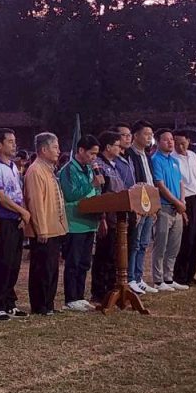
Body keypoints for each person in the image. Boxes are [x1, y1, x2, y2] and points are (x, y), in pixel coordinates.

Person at [23, 133, 69, 316]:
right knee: (42, 268)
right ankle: (40, 305)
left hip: (54, 227)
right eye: (55, 147)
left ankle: (48, 303)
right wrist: (41, 229)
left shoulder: (49, 169)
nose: (58, 151)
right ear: (43, 149)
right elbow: (35, 203)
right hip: (44, 229)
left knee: (52, 268)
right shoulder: (35, 170)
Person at [0, 128, 30, 320]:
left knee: (14, 264)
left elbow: (17, 193)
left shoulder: (13, 166)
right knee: (2, 263)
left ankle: (9, 302)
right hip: (4, 219)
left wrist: (21, 213)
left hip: (16, 219)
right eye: (10, 141)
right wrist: (22, 211)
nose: (14, 145)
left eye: (14, 141)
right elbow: (0, 196)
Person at [58, 135, 104, 312]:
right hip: (75, 223)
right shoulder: (68, 170)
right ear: (81, 150)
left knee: (84, 262)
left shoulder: (91, 169)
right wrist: (91, 184)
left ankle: (80, 296)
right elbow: (70, 195)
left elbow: (96, 192)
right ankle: (71, 298)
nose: (94, 157)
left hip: (90, 221)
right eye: (92, 153)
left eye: (96, 154)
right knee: (73, 262)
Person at [150, 129, 188, 292]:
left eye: (171, 139)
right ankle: (158, 280)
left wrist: (182, 202)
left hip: (177, 208)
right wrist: (176, 202)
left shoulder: (175, 161)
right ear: (158, 142)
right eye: (166, 140)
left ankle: (169, 277)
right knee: (161, 244)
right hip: (164, 207)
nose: (170, 142)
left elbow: (180, 182)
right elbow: (159, 184)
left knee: (174, 245)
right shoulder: (155, 160)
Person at [91, 131, 126, 304]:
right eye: (117, 145)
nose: (120, 148)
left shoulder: (113, 165)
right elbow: (101, 193)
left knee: (113, 255)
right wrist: (102, 218)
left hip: (117, 217)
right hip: (107, 217)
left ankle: (112, 288)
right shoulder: (99, 166)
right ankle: (100, 292)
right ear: (108, 147)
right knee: (103, 255)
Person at [126, 120, 158, 294]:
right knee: (135, 243)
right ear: (136, 135)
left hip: (149, 204)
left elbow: (151, 181)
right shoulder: (130, 154)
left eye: (151, 135)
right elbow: (133, 182)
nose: (149, 138)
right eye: (146, 134)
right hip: (138, 204)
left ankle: (139, 278)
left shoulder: (147, 155)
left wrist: (154, 206)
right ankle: (131, 278)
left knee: (144, 243)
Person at [173, 131, 196, 285]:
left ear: (188, 141)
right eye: (177, 143)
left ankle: (191, 274)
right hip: (184, 200)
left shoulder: (193, 156)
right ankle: (179, 275)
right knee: (185, 239)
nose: (180, 147)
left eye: (183, 143)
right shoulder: (173, 158)